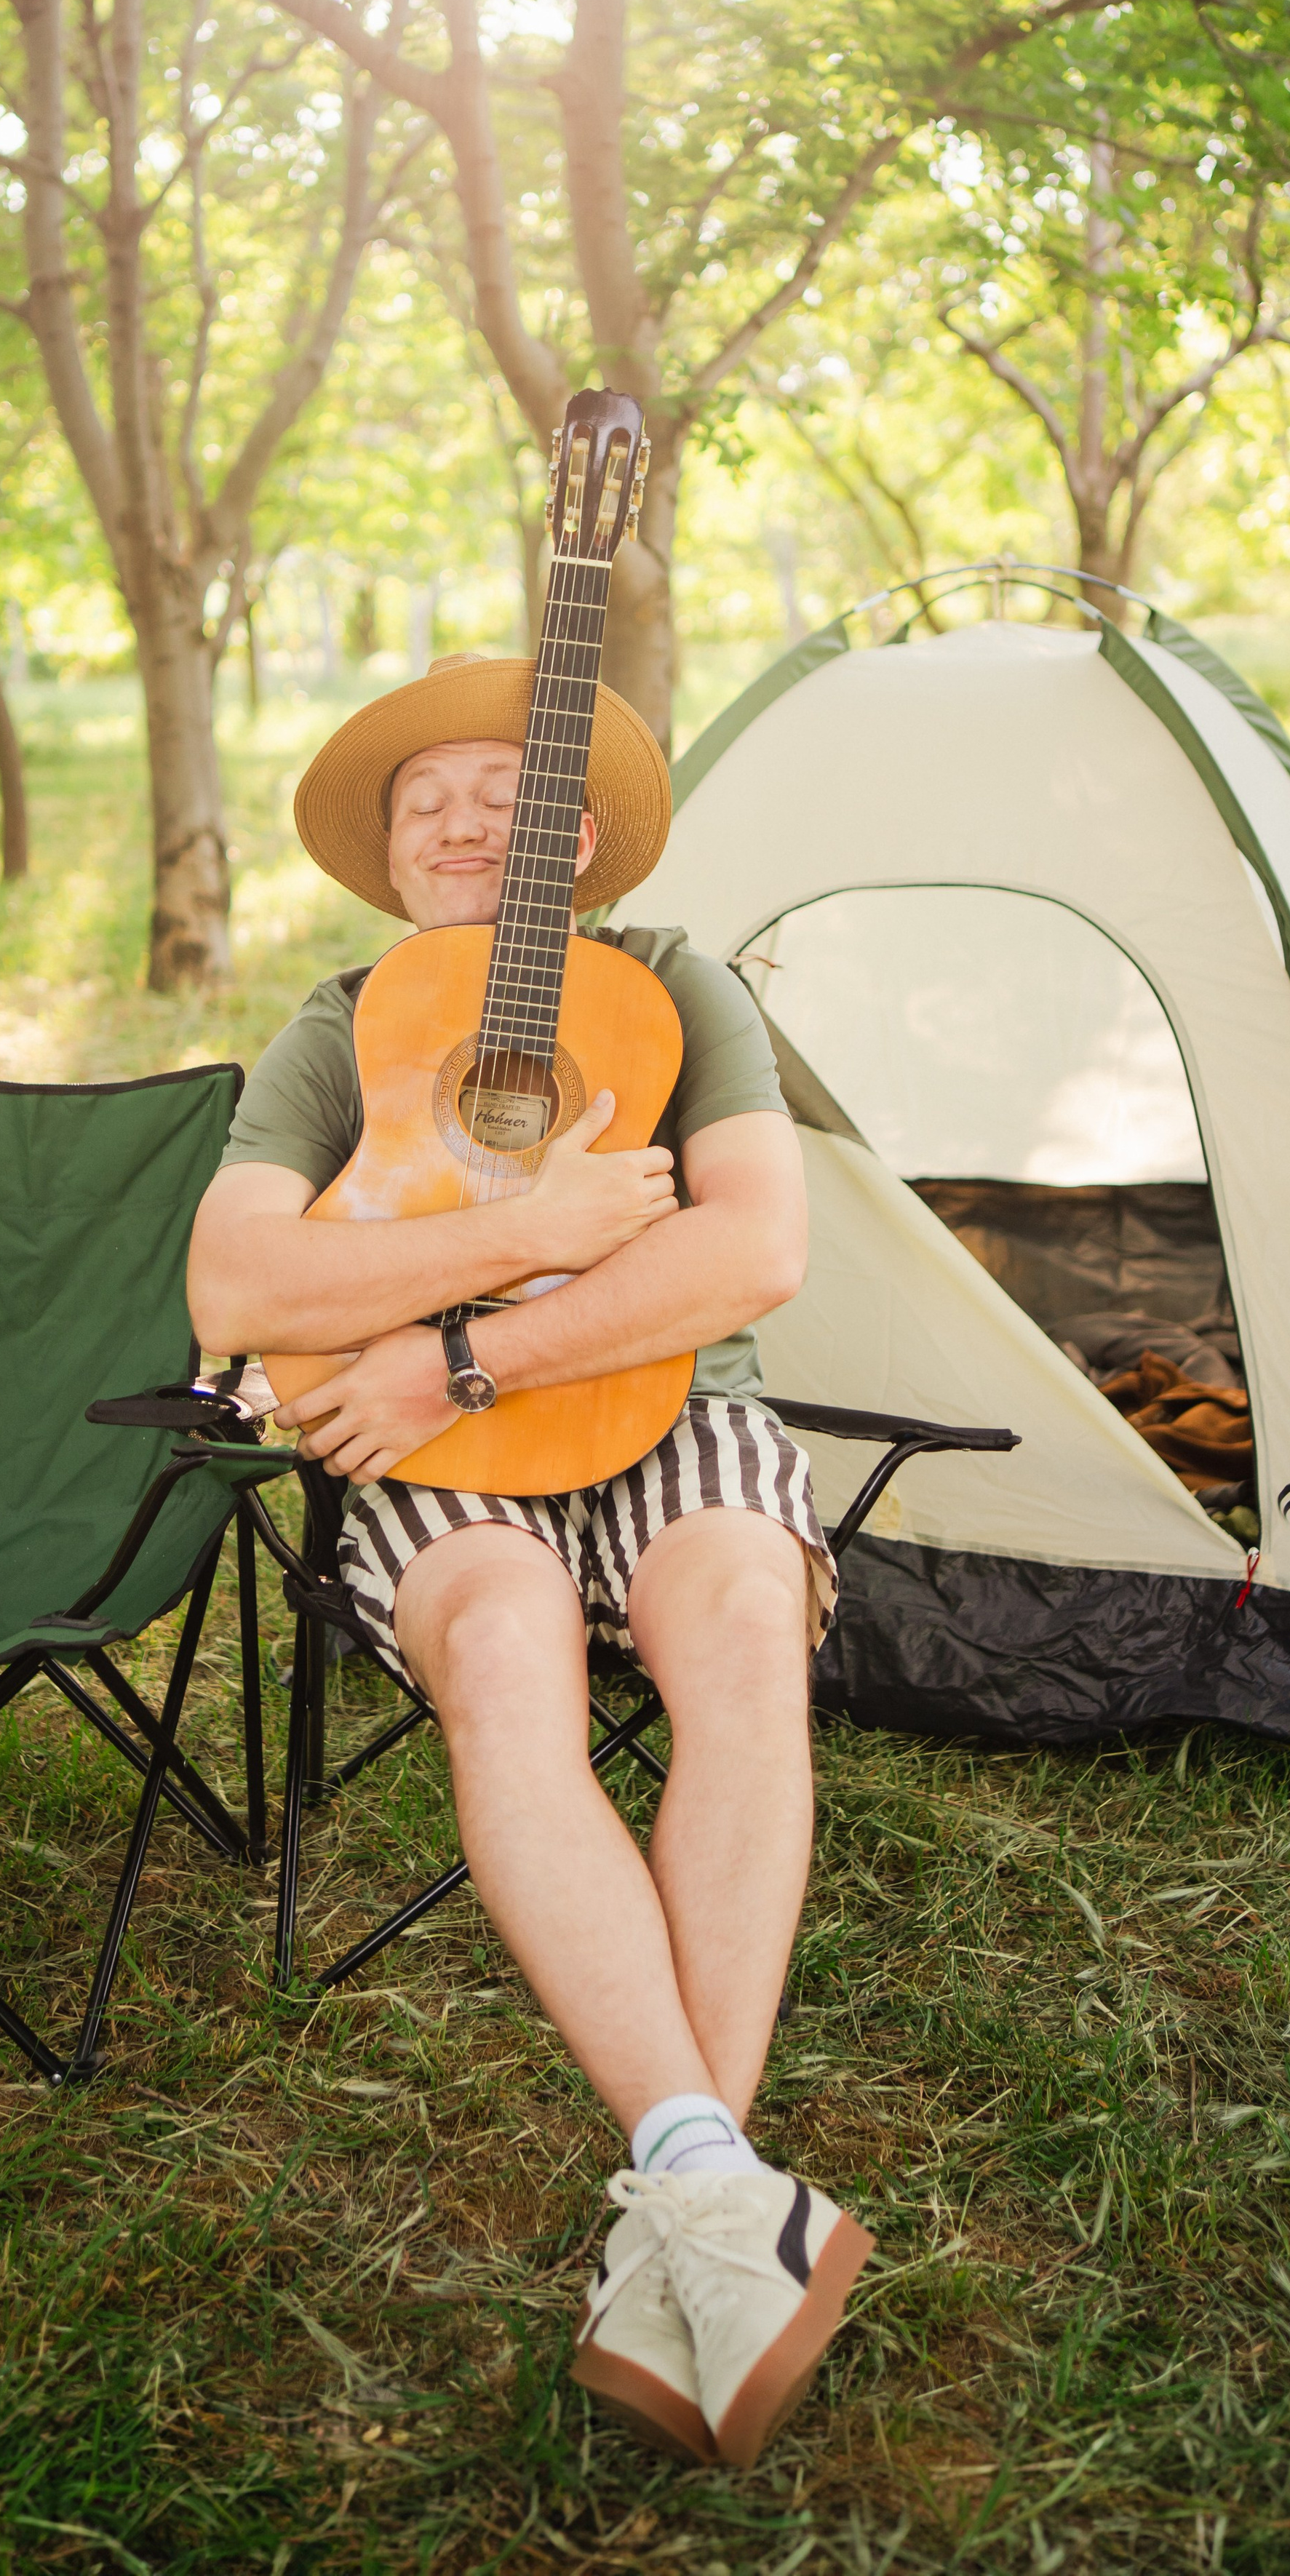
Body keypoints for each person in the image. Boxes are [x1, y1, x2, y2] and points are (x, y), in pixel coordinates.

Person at [188, 653, 872, 2468]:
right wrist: (543, 1229)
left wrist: (462, 1344)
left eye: (510, 796)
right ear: (391, 865)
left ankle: (681, 2187)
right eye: (428, 806)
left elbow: (752, 1256)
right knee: (501, 1650)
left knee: (734, 1614)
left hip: (658, 1411)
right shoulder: (338, 1028)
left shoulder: (673, 988)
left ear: (579, 840)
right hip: (432, 1461)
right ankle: (718, 2199)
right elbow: (240, 1292)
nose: (468, 823)